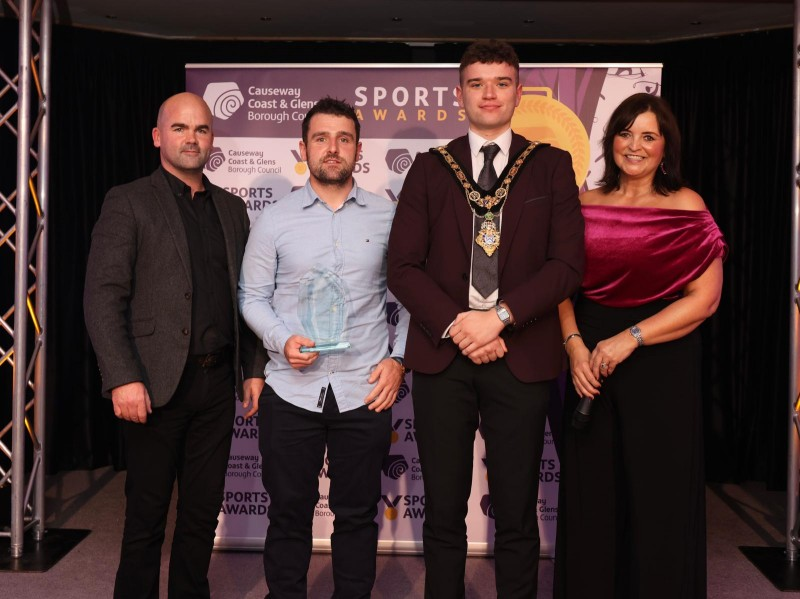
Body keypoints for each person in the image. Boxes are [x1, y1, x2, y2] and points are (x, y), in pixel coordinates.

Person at [387, 40, 585, 598]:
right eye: (477, 83)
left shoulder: (550, 166)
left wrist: (497, 319)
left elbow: (567, 266)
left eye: (501, 82)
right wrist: (460, 324)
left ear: (519, 91)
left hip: (520, 355)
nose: (490, 93)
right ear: (460, 94)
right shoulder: (430, 169)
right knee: (445, 510)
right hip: (443, 358)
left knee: (518, 511)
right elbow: (402, 267)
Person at [84, 92, 267, 599]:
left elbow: (246, 298)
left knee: (201, 515)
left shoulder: (232, 210)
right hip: (152, 384)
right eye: (180, 128)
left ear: (213, 139)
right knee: (145, 518)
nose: (192, 138)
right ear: (158, 136)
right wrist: (122, 375)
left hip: (215, 385)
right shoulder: (129, 200)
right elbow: (102, 296)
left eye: (202, 129)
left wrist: (253, 367)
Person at [553, 93, 727, 599]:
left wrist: (631, 338)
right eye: (626, 133)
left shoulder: (687, 205)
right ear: (611, 142)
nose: (635, 145)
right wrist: (574, 347)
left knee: (659, 494)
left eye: (648, 135)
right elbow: (562, 285)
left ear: (665, 146)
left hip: (661, 363)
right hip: (588, 362)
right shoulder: (583, 202)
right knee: (592, 496)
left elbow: (706, 299)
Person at [238, 96, 409, 598]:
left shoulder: (388, 217)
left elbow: (411, 299)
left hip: (365, 389)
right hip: (290, 390)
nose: (332, 148)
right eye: (321, 138)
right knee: (288, 513)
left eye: (343, 138)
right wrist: (279, 338)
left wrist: (398, 360)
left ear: (359, 148)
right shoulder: (274, 219)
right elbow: (252, 296)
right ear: (303, 147)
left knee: (357, 516)